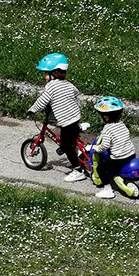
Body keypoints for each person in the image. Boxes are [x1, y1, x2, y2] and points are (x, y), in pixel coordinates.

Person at [26, 52, 86, 182]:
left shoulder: (51, 86)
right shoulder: (69, 84)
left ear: (55, 73)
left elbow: (42, 101)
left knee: (65, 145)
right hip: (75, 117)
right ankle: (78, 155)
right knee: (71, 141)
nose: (44, 76)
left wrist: (32, 110)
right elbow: (76, 94)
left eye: (46, 73)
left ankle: (78, 170)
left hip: (67, 122)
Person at [91, 96, 137, 199]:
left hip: (119, 157)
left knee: (101, 168)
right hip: (131, 154)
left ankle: (107, 190)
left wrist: (97, 148)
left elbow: (105, 146)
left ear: (106, 117)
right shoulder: (122, 124)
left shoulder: (107, 129)